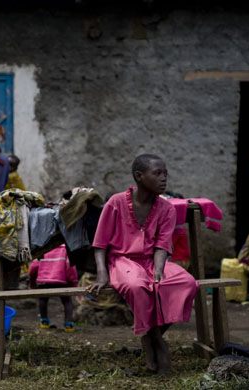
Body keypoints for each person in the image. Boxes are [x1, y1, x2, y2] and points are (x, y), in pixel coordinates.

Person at [88, 154, 199, 373]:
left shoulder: (167, 208)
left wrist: (159, 271)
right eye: (157, 173)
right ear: (139, 177)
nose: (164, 178)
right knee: (137, 286)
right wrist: (102, 274)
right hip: (122, 260)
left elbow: (162, 246)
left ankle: (149, 335)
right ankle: (157, 343)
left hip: (152, 260)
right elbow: (100, 244)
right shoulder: (116, 202)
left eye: (165, 173)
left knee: (187, 283)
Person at [28, 245, 78, 332]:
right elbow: (70, 267)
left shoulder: (42, 248)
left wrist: (32, 281)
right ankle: (68, 324)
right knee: (67, 301)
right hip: (61, 280)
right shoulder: (65, 249)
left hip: (44, 280)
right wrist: (73, 282)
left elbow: (34, 267)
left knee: (43, 299)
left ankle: (44, 321)